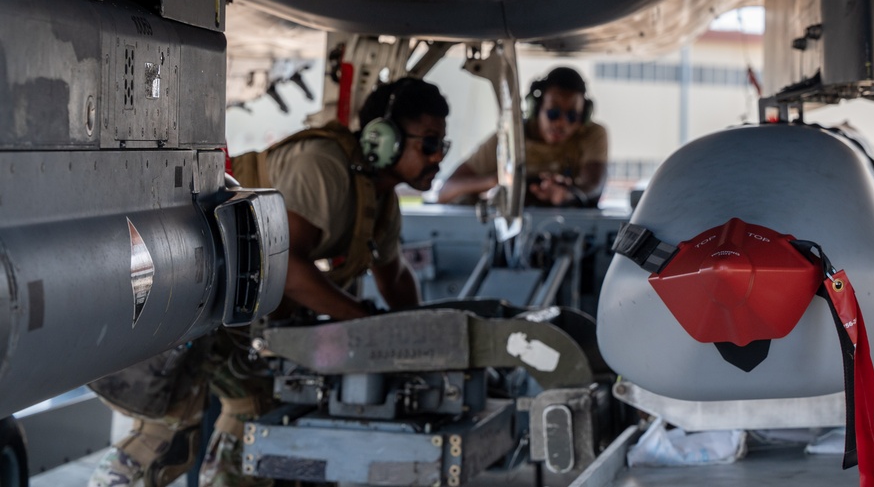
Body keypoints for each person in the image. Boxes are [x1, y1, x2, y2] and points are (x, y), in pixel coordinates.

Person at [90, 77, 450, 487]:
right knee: (165, 436)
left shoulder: (379, 203)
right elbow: (287, 268)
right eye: (429, 143)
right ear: (382, 138)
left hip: (240, 319)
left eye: (442, 146)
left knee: (254, 414)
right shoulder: (326, 166)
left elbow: (396, 278)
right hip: (195, 299)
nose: (438, 157)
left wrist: (428, 343)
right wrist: (361, 320)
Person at [437, 66, 607, 207]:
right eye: (553, 113)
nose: (561, 124)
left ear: (583, 117)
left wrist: (567, 195)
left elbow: (593, 185)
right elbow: (446, 191)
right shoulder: (510, 137)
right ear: (536, 108)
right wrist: (499, 180)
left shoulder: (591, 135)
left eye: (571, 116)